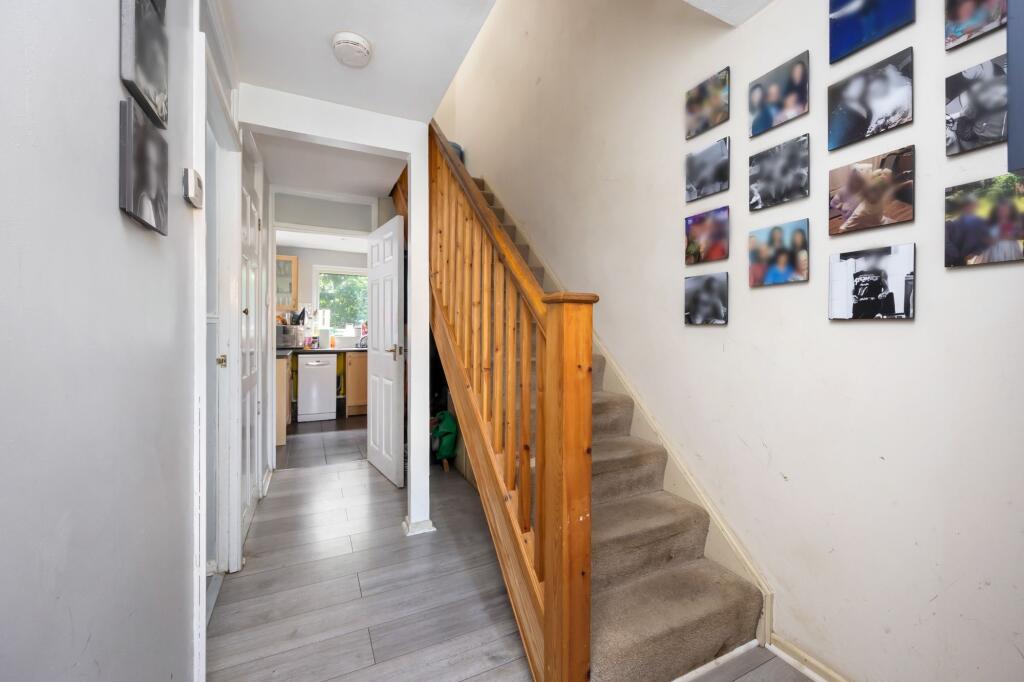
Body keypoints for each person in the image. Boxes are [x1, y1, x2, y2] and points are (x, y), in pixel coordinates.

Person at [840, 168, 914, 232]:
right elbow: (843, 229)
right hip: (865, 221)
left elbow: (893, 188)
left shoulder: (884, 192)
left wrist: (907, 183)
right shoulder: (860, 213)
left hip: (878, 221)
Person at [945, 194, 990, 266]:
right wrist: (956, 255)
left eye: (973, 207)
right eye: (967, 206)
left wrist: (974, 253)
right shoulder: (950, 224)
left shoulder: (979, 223)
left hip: (961, 261)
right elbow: (946, 242)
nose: (970, 209)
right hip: (949, 259)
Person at [829, 74, 869, 149]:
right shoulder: (839, 106)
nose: (858, 89)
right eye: (856, 85)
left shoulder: (864, 109)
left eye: (861, 86)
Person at [851, 252, 895, 319]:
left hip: (873, 305)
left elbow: (887, 289)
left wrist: (884, 294)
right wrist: (853, 296)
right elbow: (854, 289)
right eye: (874, 258)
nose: (876, 260)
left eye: (877, 259)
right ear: (866, 259)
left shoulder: (881, 272)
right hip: (857, 307)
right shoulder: (856, 274)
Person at [978, 200, 1024, 264]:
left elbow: (1021, 234)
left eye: (1006, 210)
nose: (1003, 212)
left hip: (1010, 248)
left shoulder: (1015, 222)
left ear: (1011, 211)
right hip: (992, 250)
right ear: (995, 211)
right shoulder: (989, 222)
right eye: (1000, 210)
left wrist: (1012, 236)